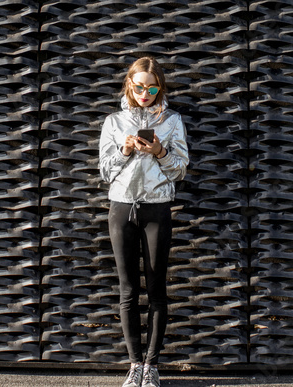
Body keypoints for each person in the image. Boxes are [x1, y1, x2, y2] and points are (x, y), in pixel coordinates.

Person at [99, 56, 189, 387]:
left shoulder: (171, 120)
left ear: (160, 88)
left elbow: (181, 169)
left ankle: (151, 365)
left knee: (155, 289)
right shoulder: (113, 121)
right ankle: (134, 364)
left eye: (152, 87)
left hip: (157, 208)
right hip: (122, 207)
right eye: (139, 86)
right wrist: (124, 150)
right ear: (129, 85)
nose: (145, 93)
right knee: (127, 290)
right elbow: (104, 172)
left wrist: (161, 153)